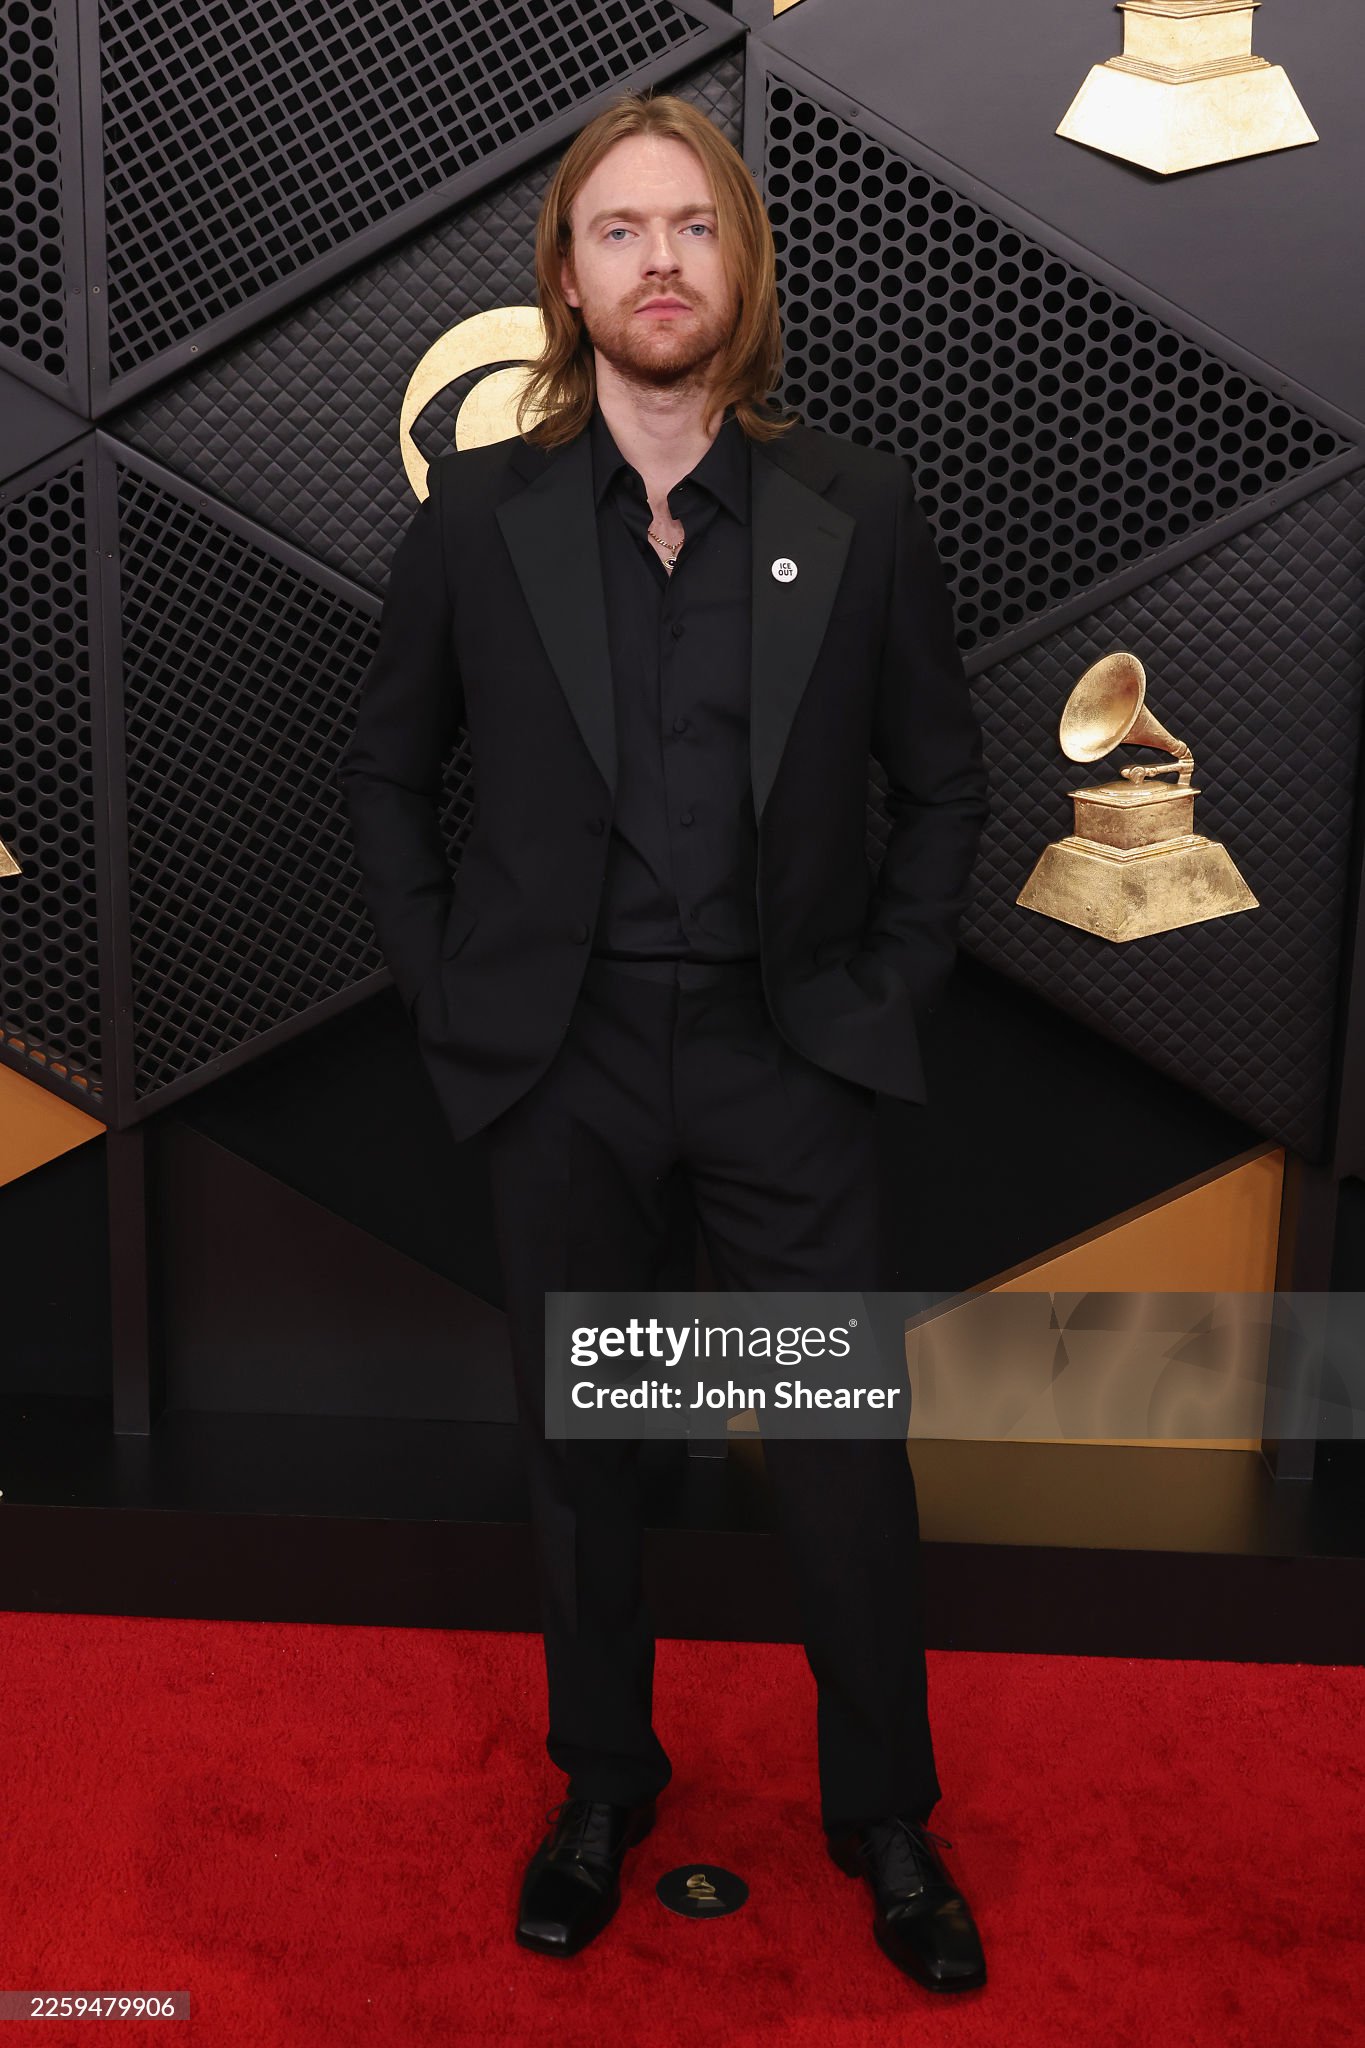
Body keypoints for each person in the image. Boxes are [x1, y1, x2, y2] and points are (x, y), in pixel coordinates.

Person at [338, 89, 990, 1994]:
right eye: (618, 229)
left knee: (841, 1454)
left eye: (692, 226)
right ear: (565, 273)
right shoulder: (480, 519)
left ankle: (884, 1819)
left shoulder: (855, 509)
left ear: (742, 265)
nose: (658, 261)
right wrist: (452, 986)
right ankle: (603, 1787)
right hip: (568, 1063)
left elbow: (943, 785)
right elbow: (386, 774)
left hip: (788, 1062)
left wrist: (882, 992)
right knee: (588, 1452)